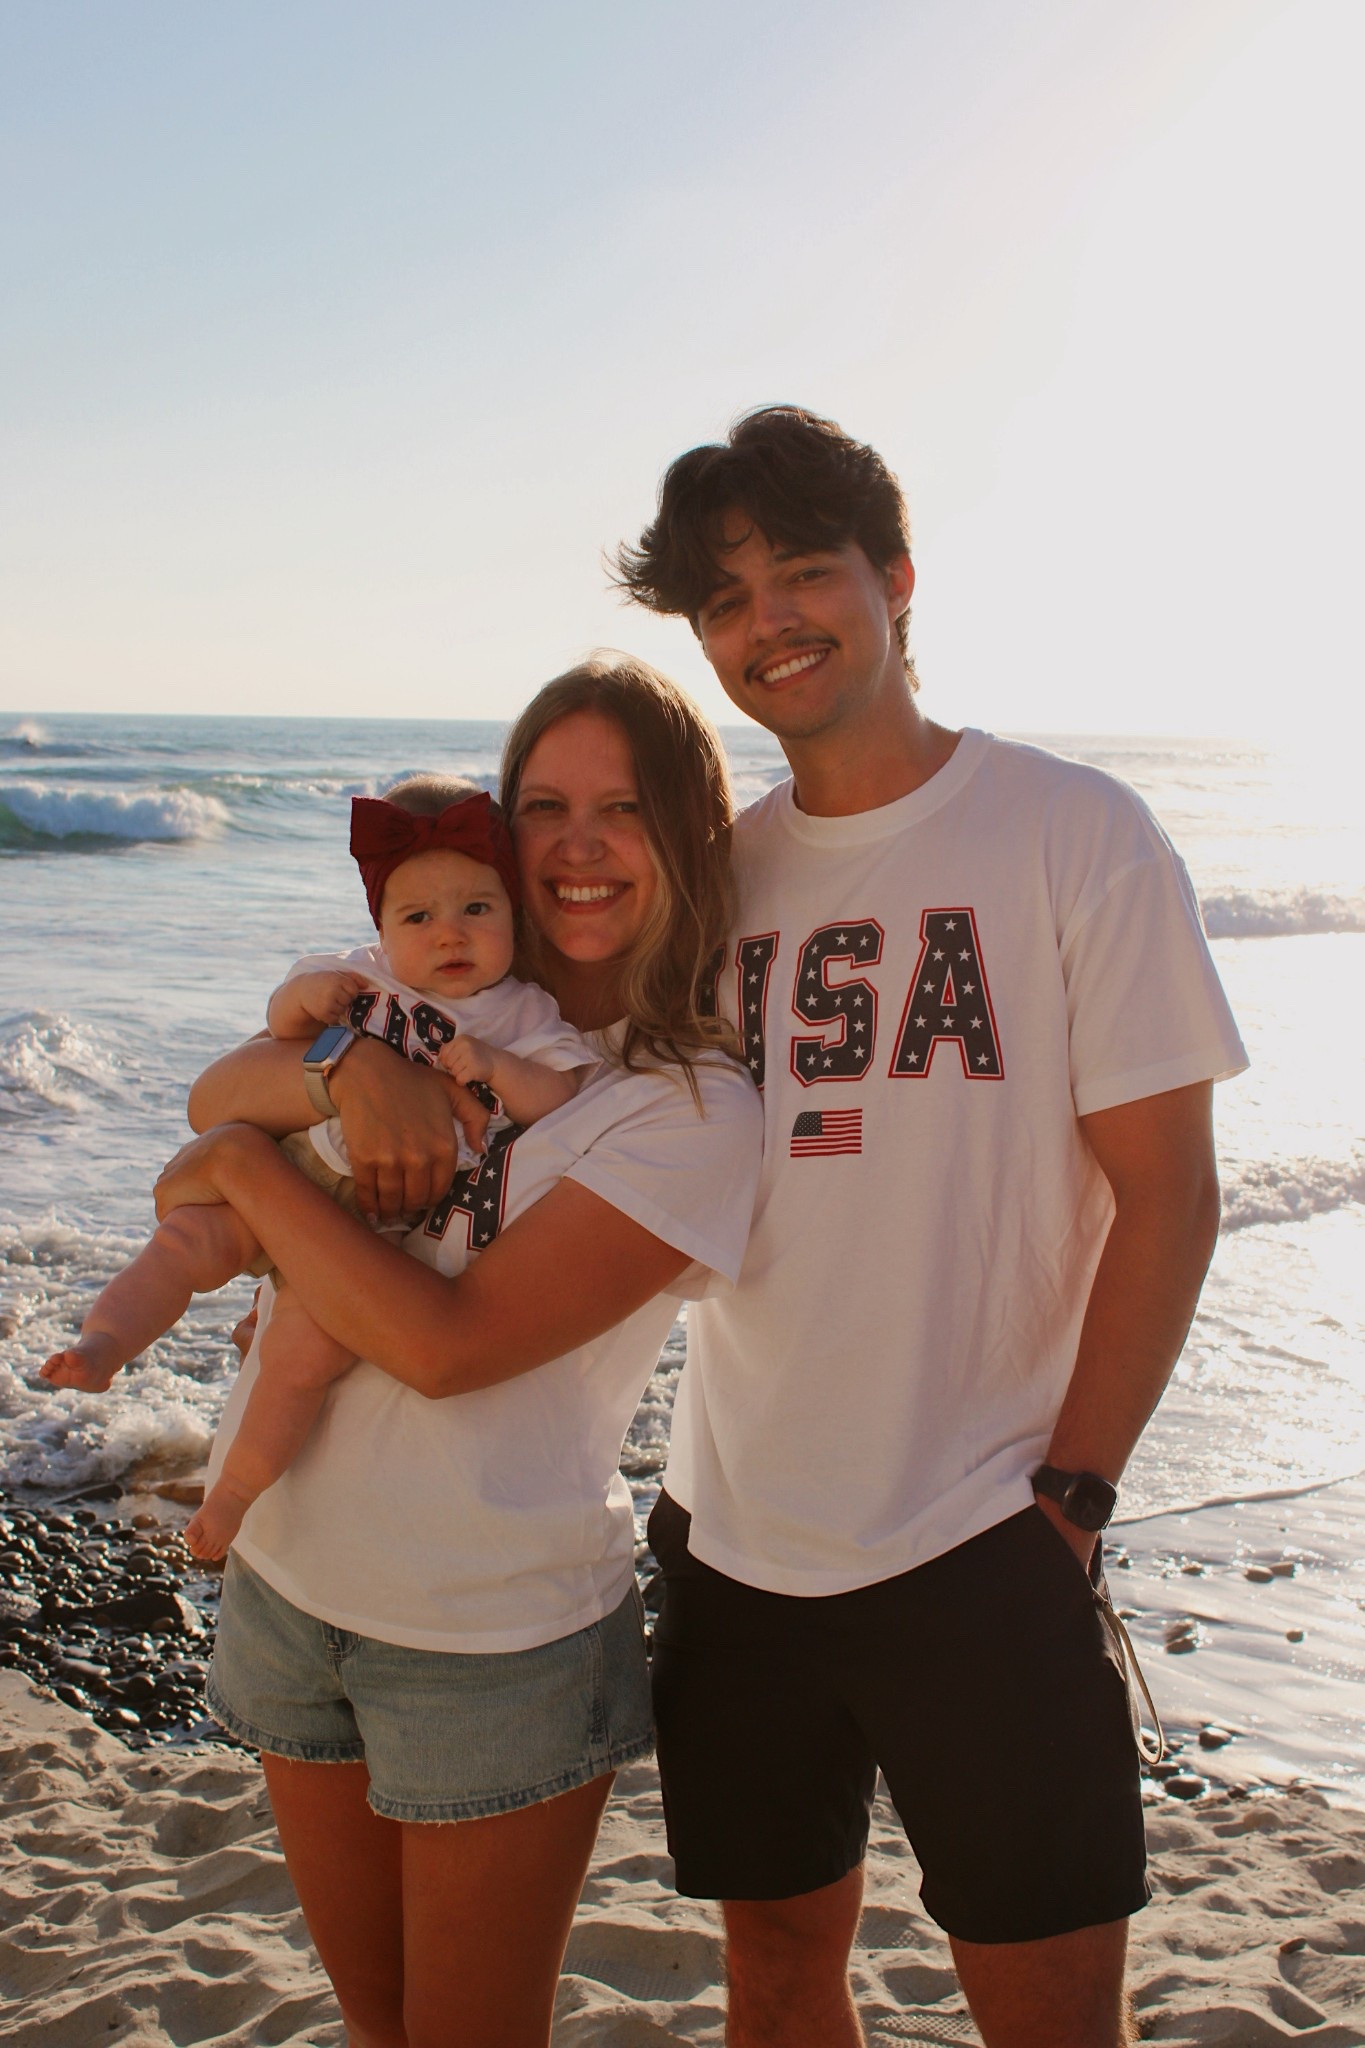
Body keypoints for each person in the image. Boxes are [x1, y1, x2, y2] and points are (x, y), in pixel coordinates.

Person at [613, 405, 1248, 2048]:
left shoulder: (1070, 831)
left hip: (987, 1529)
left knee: (1050, 2013)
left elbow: (1170, 1194)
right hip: (736, 1535)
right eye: (726, 601)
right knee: (774, 1973)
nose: (769, 623)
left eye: (804, 575)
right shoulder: (714, 879)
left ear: (895, 579)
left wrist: (1075, 1496)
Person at [152, 656, 763, 2048]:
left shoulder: (683, 1103)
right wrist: (347, 1070)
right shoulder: (420, 996)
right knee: (377, 2028)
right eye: (545, 804)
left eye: (626, 805)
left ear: (689, 830)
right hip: (290, 1577)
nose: (580, 843)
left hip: (488, 1637)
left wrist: (247, 1180)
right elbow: (210, 1099)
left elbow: (443, 1346)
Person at [41, 775, 595, 1563]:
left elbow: (560, 1094)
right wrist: (306, 994)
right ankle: (103, 1345)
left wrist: (500, 1068)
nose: (449, 934)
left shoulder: (523, 1013)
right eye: (418, 917)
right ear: (380, 928)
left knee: (302, 1359)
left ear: (514, 914)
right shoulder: (358, 977)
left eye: (477, 909)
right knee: (186, 1241)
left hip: (375, 1228)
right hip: (296, 1166)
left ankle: (231, 1495)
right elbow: (276, 1028)